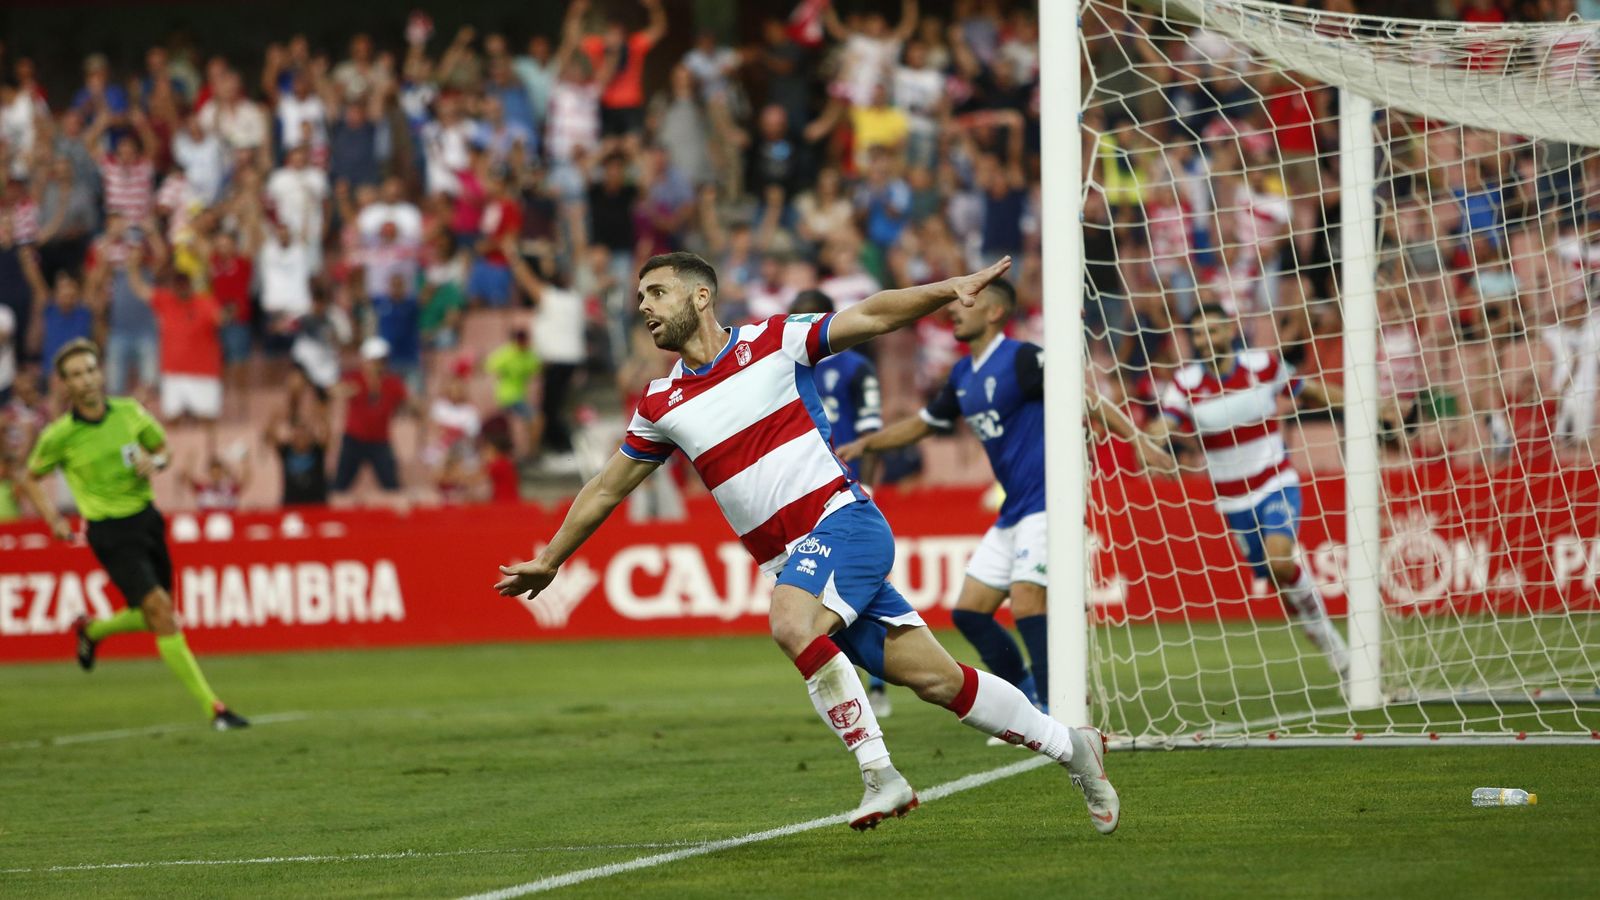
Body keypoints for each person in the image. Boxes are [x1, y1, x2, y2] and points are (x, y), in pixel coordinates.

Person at [496, 251, 1120, 835]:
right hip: (795, 559)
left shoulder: (775, 341)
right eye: (640, 297)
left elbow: (871, 314)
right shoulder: (661, 402)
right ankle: (1074, 747)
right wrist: (551, 557)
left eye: (657, 291)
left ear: (702, 295)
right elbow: (606, 487)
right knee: (938, 681)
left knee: (791, 622)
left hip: (843, 523)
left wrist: (944, 292)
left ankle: (881, 775)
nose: (645, 306)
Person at [838, 278, 1166, 726]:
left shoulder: (1023, 358)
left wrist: (1138, 438)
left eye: (965, 304)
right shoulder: (962, 374)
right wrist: (868, 444)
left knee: (1028, 602)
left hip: (1050, 499)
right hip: (1016, 508)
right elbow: (924, 424)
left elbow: (1085, 400)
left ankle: (1056, 709)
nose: (954, 311)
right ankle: (1029, 698)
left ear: (994, 312)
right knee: (969, 612)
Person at [1144, 303, 1397, 681]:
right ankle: (1337, 651)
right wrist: (1149, 441)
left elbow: (1311, 391)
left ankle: (1344, 657)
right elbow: (1165, 423)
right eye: (1198, 334)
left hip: (1274, 481)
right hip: (1231, 500)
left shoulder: (1261, 365)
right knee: (1279, 579)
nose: (1206, 340)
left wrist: (1371, 408)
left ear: (1230, 330)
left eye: (1212, 331)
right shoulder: (1185, 383)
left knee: (1280, 562)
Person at [15, 339, 248, 731]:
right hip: (109, 532)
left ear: (100, 372)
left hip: (148, 522)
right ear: (65, 386)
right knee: (161, 613)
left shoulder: (128, 412)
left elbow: (163, 450)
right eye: (76, 375)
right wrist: (53, 518)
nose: (86, 380)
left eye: (90, 370)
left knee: (159, 615)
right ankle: (216, 710)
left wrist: (153, 461)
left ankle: (94, 630)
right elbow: (31, 477)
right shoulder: (60, 435)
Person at [791, 289, 891, 717]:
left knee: (860, 589)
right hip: (800, 490)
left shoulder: (855, 367)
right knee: (816, 593)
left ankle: (875, 685)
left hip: (846, 485)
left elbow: (870, 430)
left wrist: (868, 482)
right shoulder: (785, 367)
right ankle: (851, 683)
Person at [331, 336, 416, 499]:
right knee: (340, 485)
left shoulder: (392, 383)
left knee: (391, 485)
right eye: (374, 361)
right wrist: (345, 389)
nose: (377, 365)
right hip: (354, 439)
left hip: (379, 441)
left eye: (381, 361)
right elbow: (334, 390)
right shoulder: (355, 379)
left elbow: (411, 404)